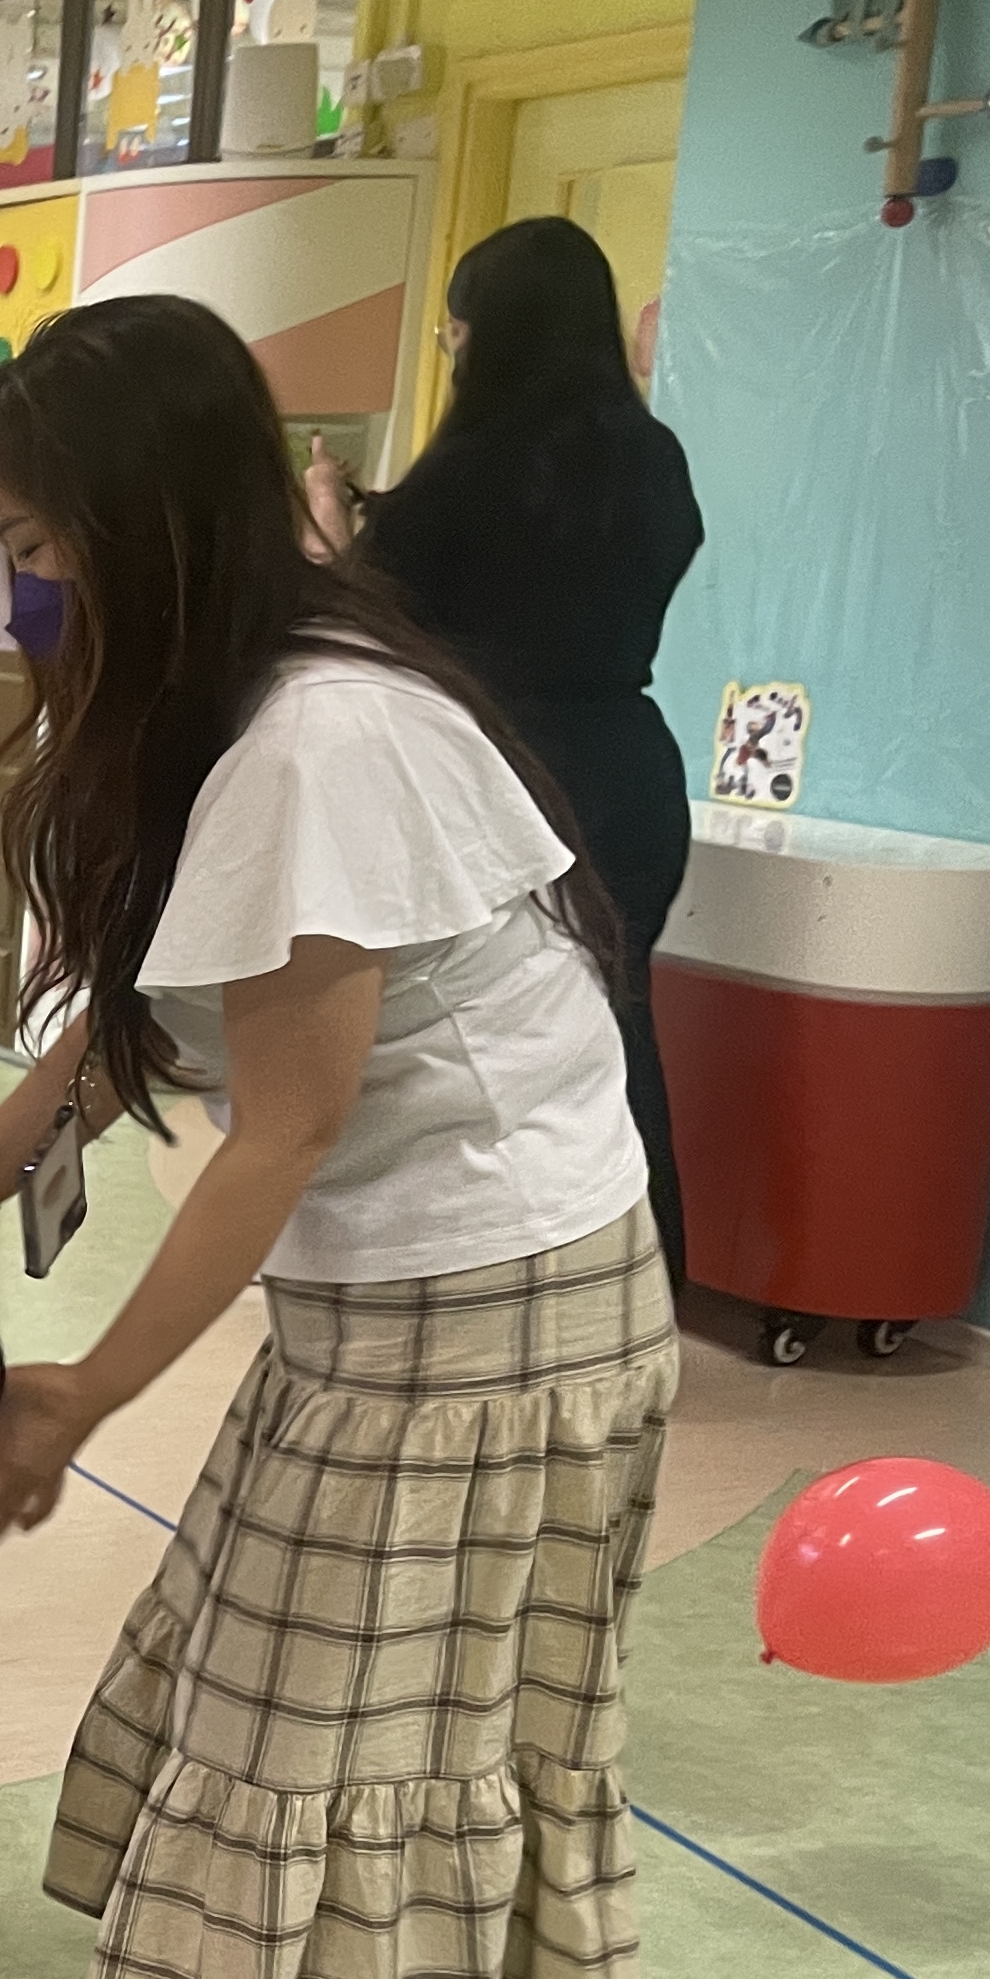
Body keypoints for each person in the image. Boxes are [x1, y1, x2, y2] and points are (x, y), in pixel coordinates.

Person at [0, 294, 674, 1979]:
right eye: (6, 546)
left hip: (489, 1297)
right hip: (411, 1288)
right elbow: (148, 1015)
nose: (23, 590)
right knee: (275, 1666)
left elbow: (284, 1126)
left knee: (320, 1710)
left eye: (39, 543)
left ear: (148, 523)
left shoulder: (317, 738)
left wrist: (83, 1388)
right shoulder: (233, 707)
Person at [305, 216, 704, 1280]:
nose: (453, 349)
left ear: (490, 333)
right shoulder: (654, 460)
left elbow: (372, 621)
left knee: (500, 1036)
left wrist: (333, 525)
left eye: (457, 330)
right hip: (629, 769)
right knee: (619, 1026)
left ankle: (492, 1271)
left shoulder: (465, 473)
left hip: (503, 777)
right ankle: (645, 1273)